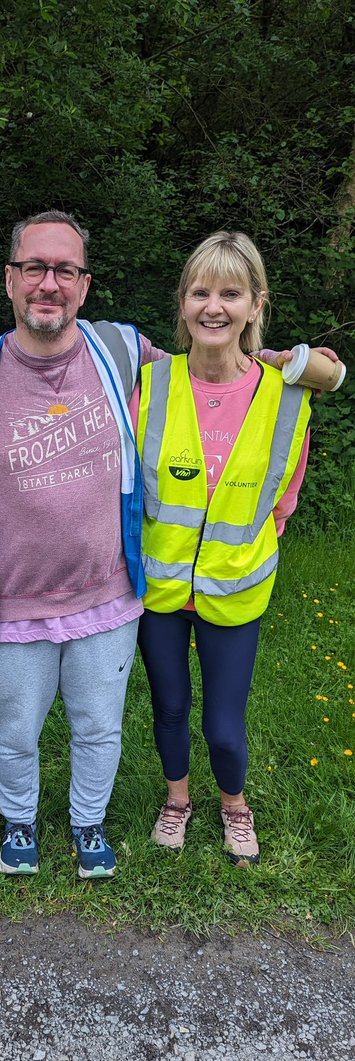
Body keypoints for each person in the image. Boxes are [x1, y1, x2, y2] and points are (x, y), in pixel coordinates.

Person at [0, 210, 178, 880]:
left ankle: (87, 823)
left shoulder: (123, 351)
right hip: (9, 599)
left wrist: (290, 367)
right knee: (14, 732)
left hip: (106, 591)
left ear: (83, 284)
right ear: (10, 279)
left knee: (99, 725)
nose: (48, 283)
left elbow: (207, 381)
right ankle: (19, 822)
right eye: (35, 268)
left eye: (64, 270)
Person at [134, 230, 341, 864]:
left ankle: (234, 804)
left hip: (236, 588)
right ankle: (177, 799)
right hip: (159, 589)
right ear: (183, 304)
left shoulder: (287, 391)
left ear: (256, 305)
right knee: (169, 708)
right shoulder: (149, 383)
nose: (213, 307)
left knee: (224, 727)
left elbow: (287, 490)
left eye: (231, 293)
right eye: (200, 292)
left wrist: (301, 361)